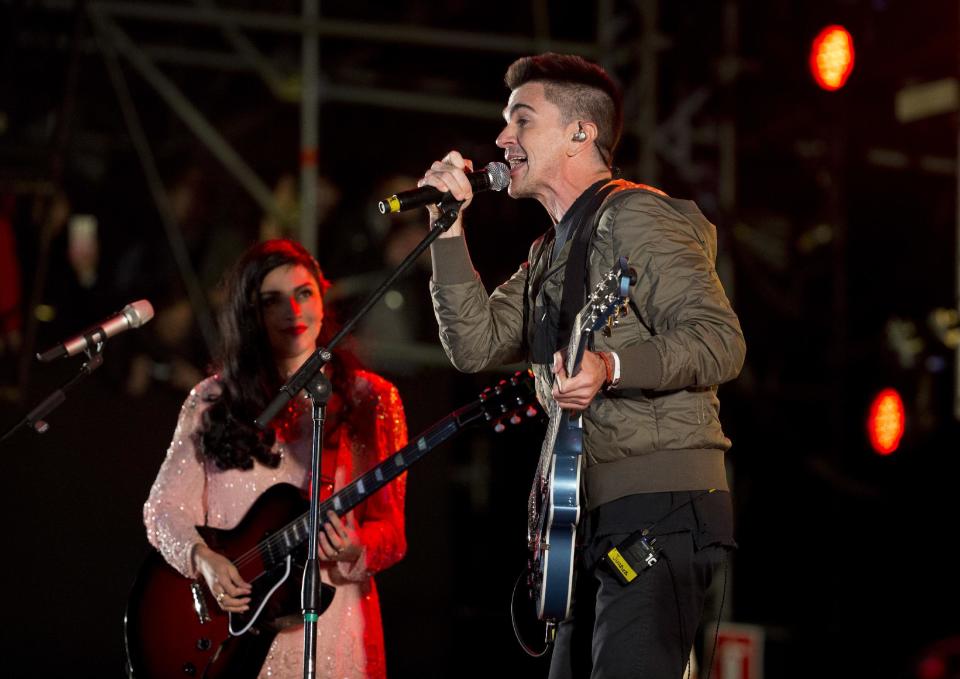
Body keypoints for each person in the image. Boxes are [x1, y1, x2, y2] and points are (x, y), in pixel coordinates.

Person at [419, 53, 746, 678]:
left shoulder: (637, 216)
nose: (501, 139)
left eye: (520, 119)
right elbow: (475, 345)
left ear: (580, 132)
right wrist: (449, 232)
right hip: (584, 517)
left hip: (661, 501)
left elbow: (719, 340)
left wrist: (613, 364)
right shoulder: (550, 250)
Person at [143, 238, 408, 678]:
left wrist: (355, 546)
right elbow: (162, 510)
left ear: (323, 298)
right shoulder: (212, 399)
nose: (293, 310)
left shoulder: (370, 399)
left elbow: (393, 533)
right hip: (233, 633)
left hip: (332, 625)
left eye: (304, 293)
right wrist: (202, 559)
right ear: (252, 314)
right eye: (273, 300)